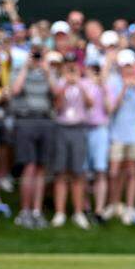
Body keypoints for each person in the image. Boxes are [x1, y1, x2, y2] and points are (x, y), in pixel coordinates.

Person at [9, 46, 54, 228]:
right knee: (29, 166)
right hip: (25, 119)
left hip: (45, 119)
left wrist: (47, 70)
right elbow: (15, 90)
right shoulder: (19, 70)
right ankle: (25, 211)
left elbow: (56, 92)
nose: (36, 58)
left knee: (41, 167)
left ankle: (37, 211)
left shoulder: (47, 71)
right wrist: (26, 68)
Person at [49, 56, 92, 229]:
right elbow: (57, 106)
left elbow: (90, 103)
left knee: (78, 172)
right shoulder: (60, 83)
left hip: (79, 128)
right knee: (60, 172)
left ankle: (78, 212)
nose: (71, 69)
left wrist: (79, 84)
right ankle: (59, 212)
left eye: (73, 66)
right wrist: (65, 85)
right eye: (68, 66)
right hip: (62, 128)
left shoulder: (84, 83)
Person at [107, 49, 135, 224]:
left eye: (130, 66)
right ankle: (114, 204)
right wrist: (124, 88)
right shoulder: (113, 82)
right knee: (114, 172)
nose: (128, 70)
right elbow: (111, 108)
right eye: (125, 66)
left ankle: (129, 207)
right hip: (117, 133)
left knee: (131, 172)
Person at [82, 57, 112, 223]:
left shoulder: (105, 86)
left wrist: (102, 88)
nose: (94, 72)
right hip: (84, 129)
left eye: (96, 69)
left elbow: (109, 109)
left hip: (100, 129)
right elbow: (87, 104)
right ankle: (85, 206)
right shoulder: (82, 84)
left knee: (100, 170)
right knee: (84, 171)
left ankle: (99, 210)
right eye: (91, 68)